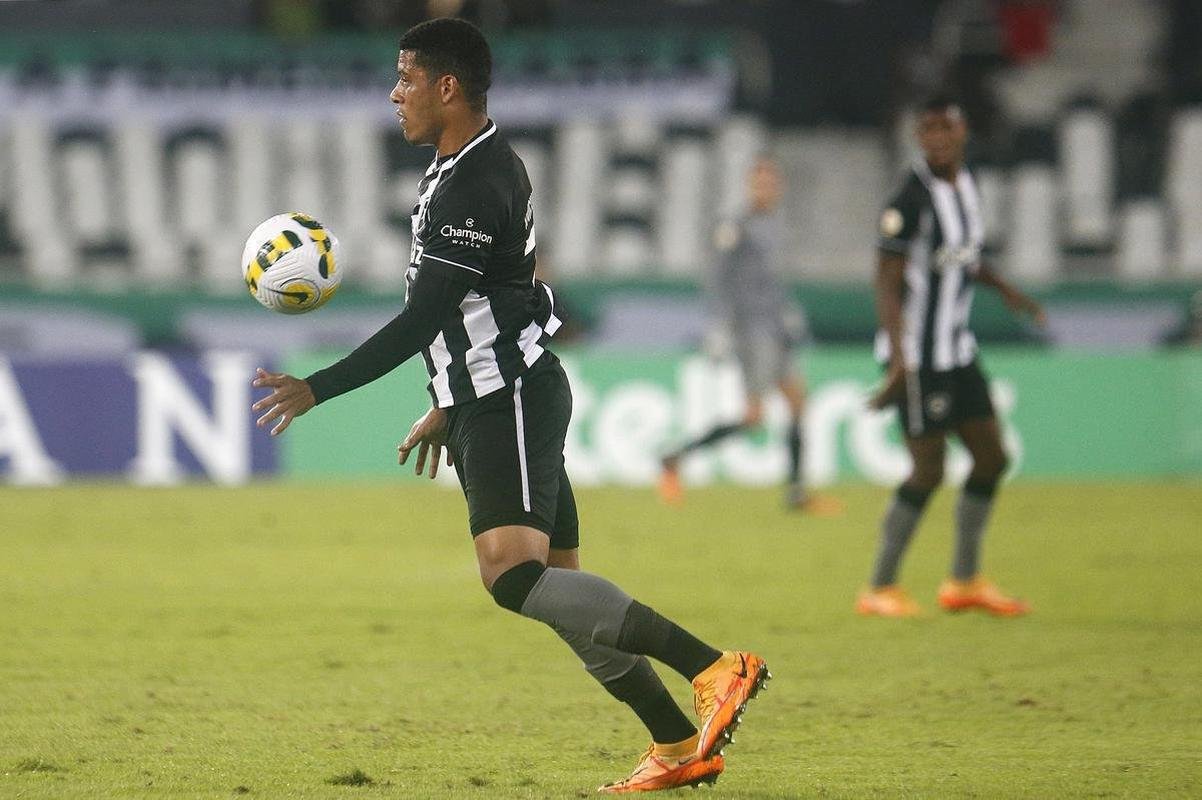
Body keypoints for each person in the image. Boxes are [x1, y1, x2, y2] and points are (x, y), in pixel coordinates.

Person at [249, 18, 768, 793]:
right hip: (491, 393)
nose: (395, 94)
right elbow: (497, 303)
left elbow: (425, 319)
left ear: (447, 87)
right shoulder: (458, 169)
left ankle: (714, 666)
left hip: (510, 398)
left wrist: (319, 386)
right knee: (565, 594)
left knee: (511, 578)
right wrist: (444, 400)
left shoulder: (473, 183)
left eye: (407, 78)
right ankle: (675, 743)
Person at [856, 95, 1045, 618]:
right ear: (918, 136)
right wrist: (898, 363)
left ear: (963, 131)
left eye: (946, 127)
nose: (937, 138)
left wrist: (1007, 290)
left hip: (958, 351)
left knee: (992, 458)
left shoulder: (967, 184)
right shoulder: (908, 199)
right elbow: (887, 284)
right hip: (918, 358)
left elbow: (965, 256)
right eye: (928, 129)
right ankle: (878, 587)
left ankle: (963, 581)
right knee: (928, 471)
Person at [657, 156, 843, 515]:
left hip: (775, 328)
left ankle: (797, 494)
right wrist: (720, 325)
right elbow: (718, 277)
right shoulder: (735, 224)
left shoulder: (773, 224)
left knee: (798, 404)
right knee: (754, 416)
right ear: (749, 186)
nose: (766, 190)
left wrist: (788, 314)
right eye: (760, 184)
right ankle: (674, 458)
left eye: (771, 184)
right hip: (752, 331)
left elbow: (768, 281)